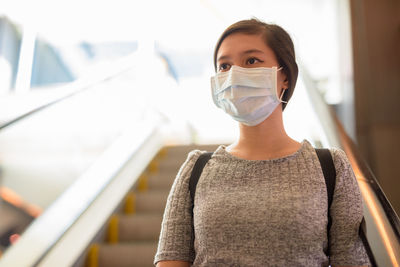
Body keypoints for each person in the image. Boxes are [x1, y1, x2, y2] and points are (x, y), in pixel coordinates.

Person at [154, 18, 370, 267]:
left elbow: (351, 260)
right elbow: (171, 261)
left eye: (251, 61)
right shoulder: (195, 169)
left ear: (285, 77)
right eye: (224, 66)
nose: (234, 74)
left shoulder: (331, 167)